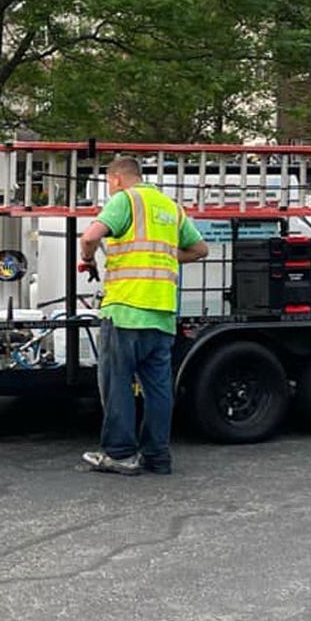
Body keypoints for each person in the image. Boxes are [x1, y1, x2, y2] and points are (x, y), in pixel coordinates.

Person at [76, 157, 210, 476]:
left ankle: (120, 454)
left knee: (117, 383)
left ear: (118, 179)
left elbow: (90, 237)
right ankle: (158, 456)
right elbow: (200, 250)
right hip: (162, 313)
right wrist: (165, 255)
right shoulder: (170, 207)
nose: (110, 189)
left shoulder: (126, 200)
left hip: (125, 310)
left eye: (109, 183)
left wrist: (88, 260)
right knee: (158, 389)